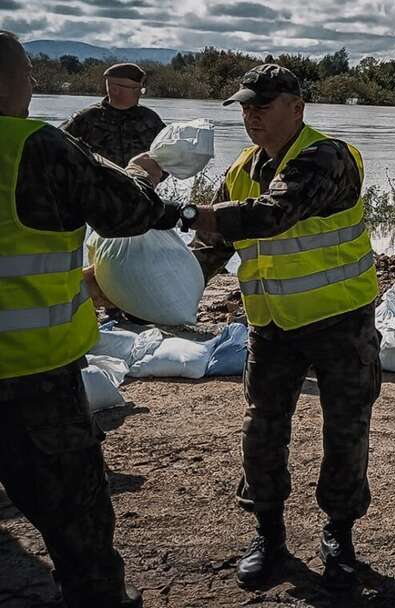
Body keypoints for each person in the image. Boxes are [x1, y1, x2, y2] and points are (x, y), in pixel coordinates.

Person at [174, 64, 381, 590]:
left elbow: (271, 215)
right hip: (272, 327)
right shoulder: (242, 169)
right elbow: (213, 248)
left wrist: (184, 212)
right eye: (245, 107)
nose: (251, 116)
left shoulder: (329, 156)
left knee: (346, 429)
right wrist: (153, 285)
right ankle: (268, 535)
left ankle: (339, 535)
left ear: (297, 107)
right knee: (262, 428)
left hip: (340, 322)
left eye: (261, 106)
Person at [0, 32, 183, 608]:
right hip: (29, 370)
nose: (33, 82)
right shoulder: (36, 144)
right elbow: (126, 210)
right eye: (28, 70)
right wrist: (151, 177)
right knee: (76, 514)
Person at [61, 62, 165, 167]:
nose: (140, 93)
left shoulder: (150, 119)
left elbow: (171, 154)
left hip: (139, 182)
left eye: (141, 89)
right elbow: (55, 150)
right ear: (114, 89)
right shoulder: (85, 119)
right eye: (135, 89)